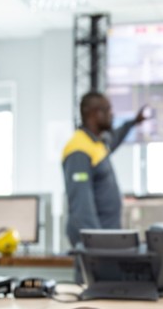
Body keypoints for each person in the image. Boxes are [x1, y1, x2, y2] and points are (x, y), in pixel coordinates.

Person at [62, 92, 147, 248]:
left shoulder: (97, 144)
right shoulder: (79, 150)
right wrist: (97, 245)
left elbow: (115, 137)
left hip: (107, 240)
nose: (112, 114)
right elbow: (82, 208)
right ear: (95, 114)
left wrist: (133, 122)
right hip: (95, 247)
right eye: (108, 110)